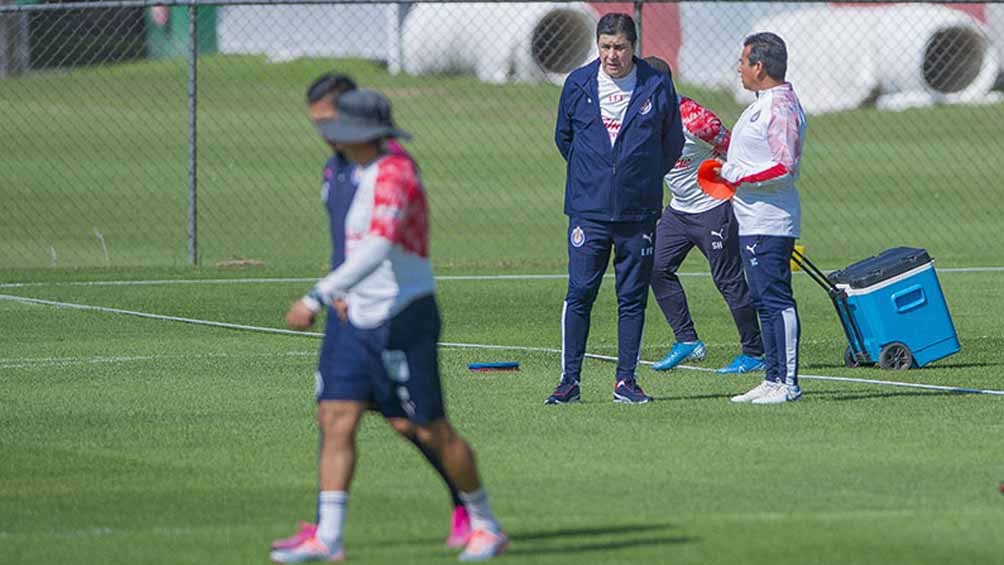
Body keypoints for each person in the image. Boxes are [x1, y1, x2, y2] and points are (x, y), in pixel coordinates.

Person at [271, 87, 506, 562]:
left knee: (429, 428)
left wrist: (319, 294)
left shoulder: (395, 173)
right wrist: (343, 294)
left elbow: (378, 246)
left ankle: (484, 523)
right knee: (336, 417)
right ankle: (329, 537)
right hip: (356, 319)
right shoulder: (347, 171)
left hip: (404, 316)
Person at [547, 13, 684, 405]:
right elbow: (565, 138)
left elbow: (671, 143)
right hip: (587, 211)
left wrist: (637, 179)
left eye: (619, 47)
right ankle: (569, 381)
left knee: (632, 297)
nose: (612, 55)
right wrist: (596, 176)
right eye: (605, 47)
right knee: (581, 292)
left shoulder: (656, 84)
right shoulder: (577, 84)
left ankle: (626, 381)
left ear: (633, 46)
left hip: (637, 212)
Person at [641, 56, 766, 374]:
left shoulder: (697, 121)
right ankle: (687, 341)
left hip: (714, 209)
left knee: (728, 280)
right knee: (654, 267)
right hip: (679, 211)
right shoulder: (640, 115)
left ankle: (755, 352)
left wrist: (733, 186)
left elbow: (734, 149)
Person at [711, 32, 808, 404]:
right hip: (751, 217)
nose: (738, 68)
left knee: (776, 299)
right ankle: (772, 377)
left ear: (759, 66)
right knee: (762, 300)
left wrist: (737, 177)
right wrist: (728, 169)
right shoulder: (761, 103)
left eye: (742, 61)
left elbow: (785, 166)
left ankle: (789, 383)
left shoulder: (779, 106)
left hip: (771, 220)